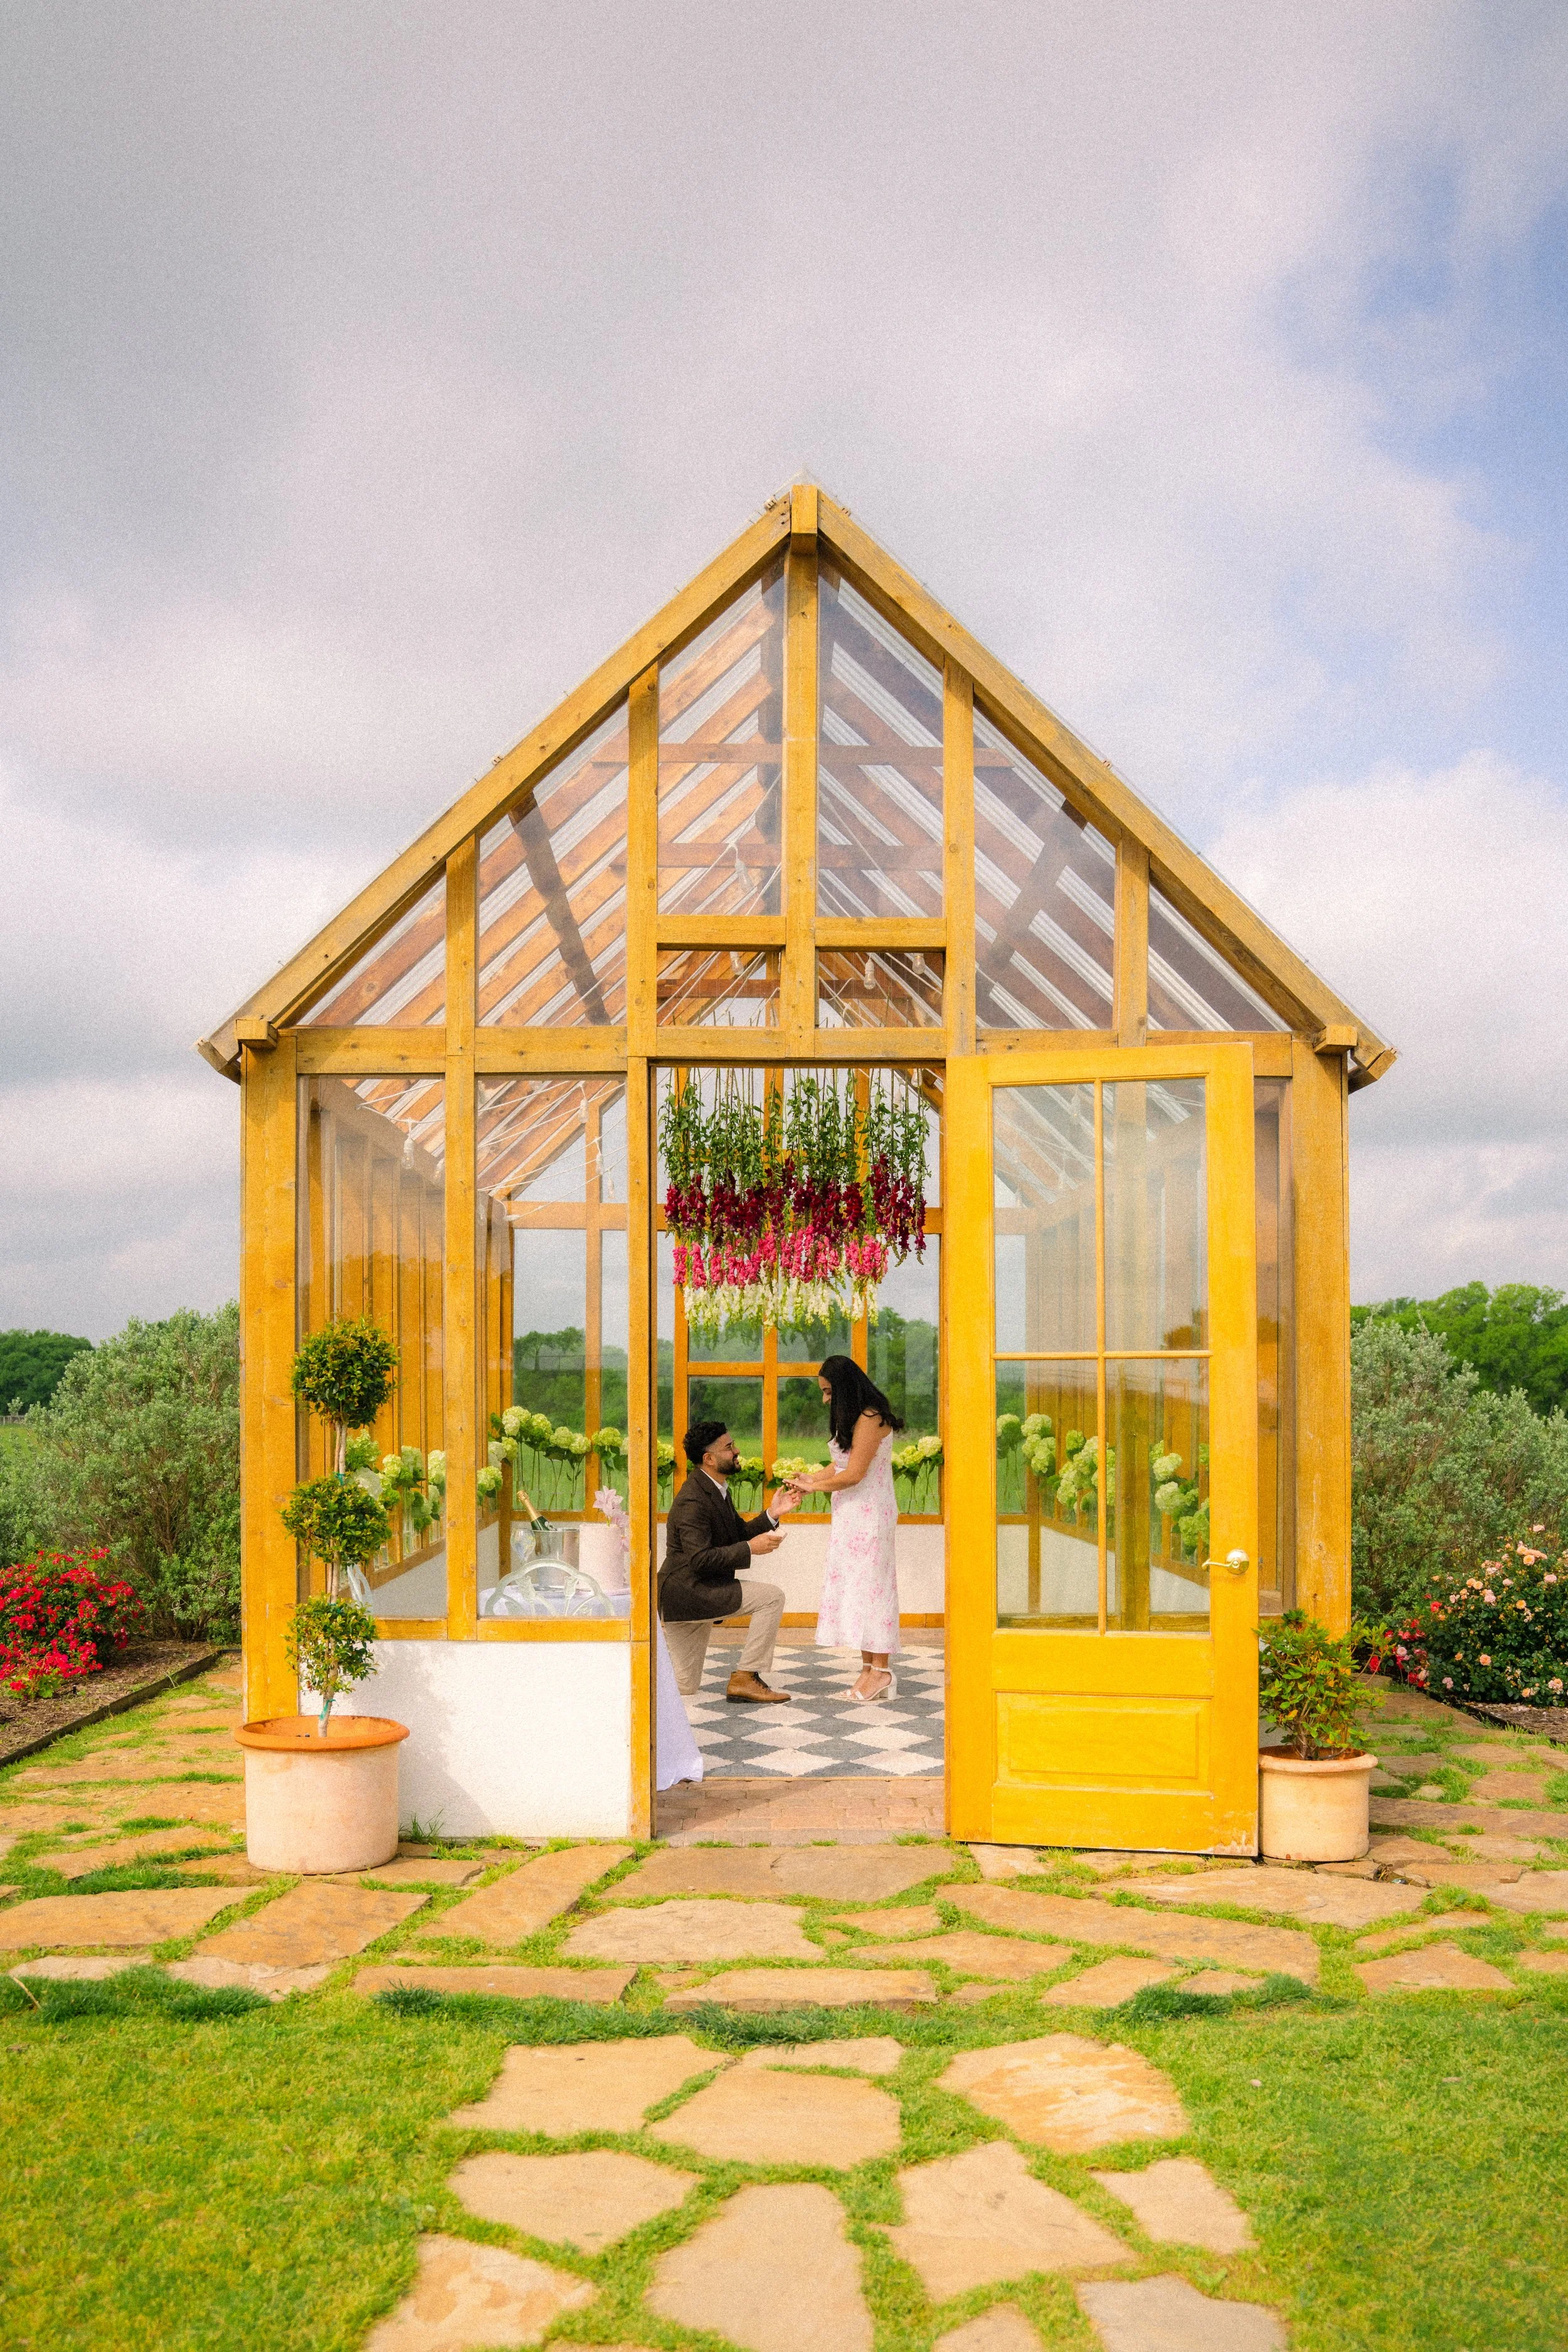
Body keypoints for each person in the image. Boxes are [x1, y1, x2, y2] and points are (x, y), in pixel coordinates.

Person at [659, 1419, 800, 1703]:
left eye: (733, 1444)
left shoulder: (716, 1489)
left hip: (692, 1591)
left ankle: (744, 1678)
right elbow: (700, 1560)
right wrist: (750, 1548)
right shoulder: (693, 1500)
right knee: (772, 1598)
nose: (736, 1451)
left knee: (683, 1686)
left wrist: (772, 1514)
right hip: (689, 1592)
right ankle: (745, 1678)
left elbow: (736, 1534)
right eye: (729, 1447)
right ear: (709, 1459)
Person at [790, 1355, 904, 1702]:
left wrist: (813, 1488)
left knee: (875, 1589)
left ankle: (882, 1671)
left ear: (844, 1388)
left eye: (828, 1392)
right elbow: (840, 1464)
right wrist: (809, 1478)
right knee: (860, 1589)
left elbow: (855, 1475)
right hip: (852, 1515)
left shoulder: (871, 1418)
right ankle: (869, 1669)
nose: (825, 1399)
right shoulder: (858, 1418)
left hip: (871, 1516)